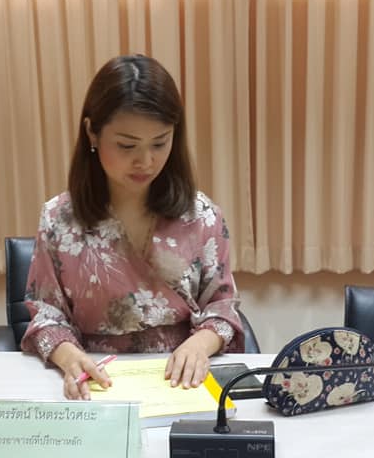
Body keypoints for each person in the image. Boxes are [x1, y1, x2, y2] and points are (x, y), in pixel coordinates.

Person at [21, 54, 244, 400]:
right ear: (92, 132)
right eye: (126, 145)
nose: (146, 161)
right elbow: (47, 316)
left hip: (179, 381)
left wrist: (200, 344)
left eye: (160, 143)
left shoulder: (201, 216)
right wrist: (69, 358)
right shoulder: (59, 219)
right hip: (96, 379)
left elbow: (221, 308)